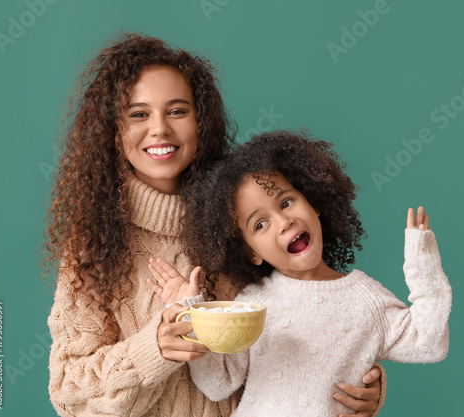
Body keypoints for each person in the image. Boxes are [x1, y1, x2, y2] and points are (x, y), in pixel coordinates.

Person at [44, 33, 384, 417]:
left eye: (177, 111)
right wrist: (152, 350)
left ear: (201, 122)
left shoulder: (244, 218)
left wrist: (361, 387)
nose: (159, 129)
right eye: (139, 114)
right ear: (112, 130)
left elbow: (310, 313)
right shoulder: (93, 246)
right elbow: (68, 392)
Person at [145, 130, 451, 416]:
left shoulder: (368, 300)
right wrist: (191, 311)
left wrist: (421, 261)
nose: (283, 222)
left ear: (314, 203)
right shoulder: (252, 304)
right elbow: (218, 384)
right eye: (260, 224)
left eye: (286, 202)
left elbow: (429, 343)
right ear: (251, 252)